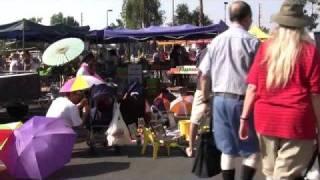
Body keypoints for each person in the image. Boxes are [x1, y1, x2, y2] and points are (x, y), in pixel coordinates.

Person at [238, 1, 320, 179]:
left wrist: (244, 118)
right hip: (297, 123)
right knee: (284, 176)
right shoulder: (309, 51)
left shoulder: (266, 48)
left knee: (271, 174)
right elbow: (315, 95)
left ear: (279, 25)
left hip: (265, 120)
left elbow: (252, 87)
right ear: (301, 26)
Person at [199, 1, 260, 180]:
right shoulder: (253, 42)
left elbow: (203, 75)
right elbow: (259, 79)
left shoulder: (215, 42)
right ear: (247, 18)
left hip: (218, 100)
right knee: (253, 151)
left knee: (227, 150)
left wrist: (205, 100)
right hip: (243, 101)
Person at [185, 44, 210, 157]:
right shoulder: (224, 50)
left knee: (195, 119)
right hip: (218, 89)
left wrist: (205, 99)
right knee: (215, 119)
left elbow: (201, 74)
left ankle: (191, 148)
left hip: (203, 89)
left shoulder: (206, 51)